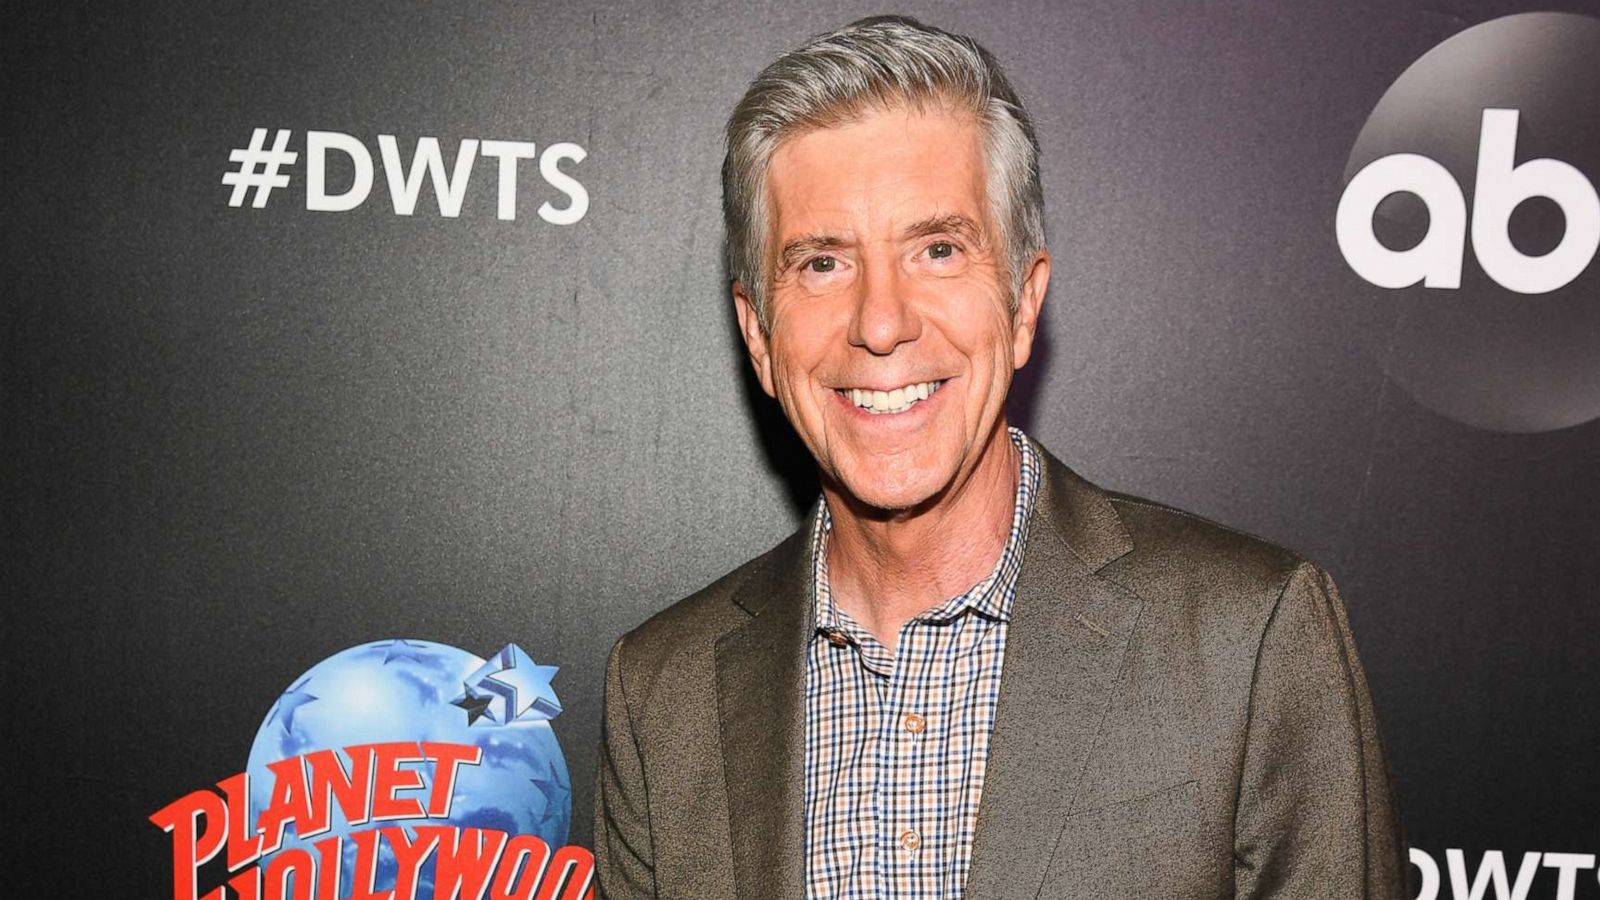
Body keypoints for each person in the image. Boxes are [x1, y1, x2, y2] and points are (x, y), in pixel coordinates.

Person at [593, 15, 1406, 899]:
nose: (881, 322)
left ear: (1023, 304)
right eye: (823, 263)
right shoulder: (660, 691)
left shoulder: (1248, 639)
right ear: (758, 335)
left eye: (938, 250)